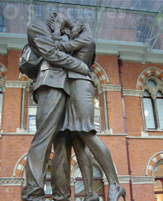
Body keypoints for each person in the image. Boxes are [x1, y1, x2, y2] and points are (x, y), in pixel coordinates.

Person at [51, 19, 126, 201]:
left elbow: (58, 48)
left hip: (80, 86)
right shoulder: (81, 40)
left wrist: (57, 30)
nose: (69, 31)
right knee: (78, 142)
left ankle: (115, 184)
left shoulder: (86, 39)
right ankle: (90, 192)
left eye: (72, 27)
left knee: (86, 132)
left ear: (82, 26)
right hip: (72, 87)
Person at [21, 12, 92, 201]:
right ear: (54, 17)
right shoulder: (37, 26)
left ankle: (62, 195)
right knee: (44, 137)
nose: (69, 29)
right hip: (50, 83)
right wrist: (80, 67)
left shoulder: (63, 35)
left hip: (68, 89)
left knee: (62, 144)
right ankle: (33, 193)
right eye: (67, 24)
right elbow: (51, 54)